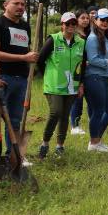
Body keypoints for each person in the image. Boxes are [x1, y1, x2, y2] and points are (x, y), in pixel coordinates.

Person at [0, 0, 37, 171]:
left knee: (15, 119)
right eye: (16, 3)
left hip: (21, 79)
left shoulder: (26, 27)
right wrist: (23, 57)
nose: (20, 7)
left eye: (23, 4)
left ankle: (11, 154)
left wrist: (28, 62)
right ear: (6, 5)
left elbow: (26, 52)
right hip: (1, 79)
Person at [36, 12, 86, 159]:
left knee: (65, 116)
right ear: (62, 25)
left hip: (71, 86)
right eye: (68, 23)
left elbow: (82, 66)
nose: (71, 26)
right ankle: (45, 143)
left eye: (73, 24)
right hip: (54, 85)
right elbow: (40, 59)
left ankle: (60, 146)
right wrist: (48, 74)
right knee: (55, 112)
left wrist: (81, 84)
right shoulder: (53, 39)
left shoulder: (81, 43)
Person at [83, 9, 108, 153]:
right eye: (102, 19)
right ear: (95, 20)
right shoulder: (92, 38)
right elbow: (92, 60)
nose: (105, 23)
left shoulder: (104, 37)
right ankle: (93, 143)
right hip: (94, 77)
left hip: (104, 78)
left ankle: (97, 139)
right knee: (98, 110)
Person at [69, 9, 92, 136]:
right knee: (78, 97)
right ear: (77, 19)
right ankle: (75, 125)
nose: (85, 20)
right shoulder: (74, 34)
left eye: (87, 18)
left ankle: (90, 120)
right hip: (77, 69)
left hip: (89, 70)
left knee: (88, 96)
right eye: (82, 18)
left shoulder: (88, 33)